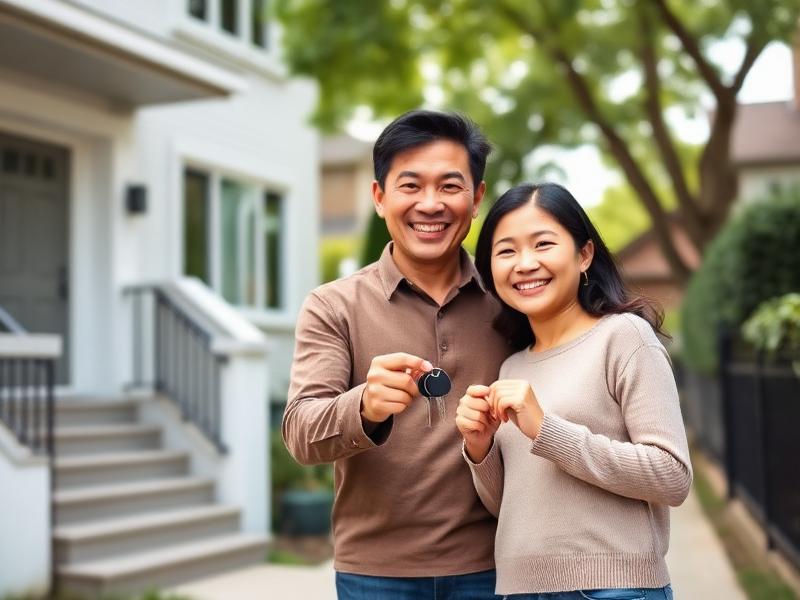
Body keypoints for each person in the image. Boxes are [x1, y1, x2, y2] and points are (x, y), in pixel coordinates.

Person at [283, 110, 511, 599]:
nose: (430, 204)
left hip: (497, 566)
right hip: (375, 575)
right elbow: (301, 433)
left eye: (450, 186)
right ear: (379, 197)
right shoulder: (333, 305)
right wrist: (363, 406)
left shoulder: (511, 303)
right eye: (410, 186)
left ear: (477, 199)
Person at [455, 183, 692, 600]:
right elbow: (510, 506)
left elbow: (672, 476)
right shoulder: (512, 365)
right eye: (506, 251)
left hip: (614, 588)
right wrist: (480, 448)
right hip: (520, 590)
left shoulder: (623, 337)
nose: (525, 264)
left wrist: (547, 429)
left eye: (543, 244)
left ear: (584, 255)